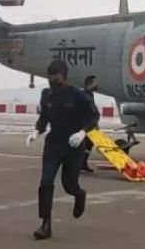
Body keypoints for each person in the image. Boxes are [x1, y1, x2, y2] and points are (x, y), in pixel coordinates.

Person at [25, 60, 98, 240]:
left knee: (69, 185)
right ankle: (45, 225)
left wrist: (83, 132)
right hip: (54, 144)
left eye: (56, 78)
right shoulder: (47, 95)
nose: (53, 82)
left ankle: (79, 194)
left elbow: (93, 116)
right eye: (50, 78)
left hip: (74, 146)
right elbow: (44, 116)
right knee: (46, 182)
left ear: (64, 78)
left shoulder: (79, 96)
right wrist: (37, 130)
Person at [81, 75, 101, 173]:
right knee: (84, 144)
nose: (96, 85)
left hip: (88, 125)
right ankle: (80, 163)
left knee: (88, 144)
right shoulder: (85, 95)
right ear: (91, 84)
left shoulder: (89, 95)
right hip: (85, 125)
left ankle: (83, 163)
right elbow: (90, 111)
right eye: (95, 82)